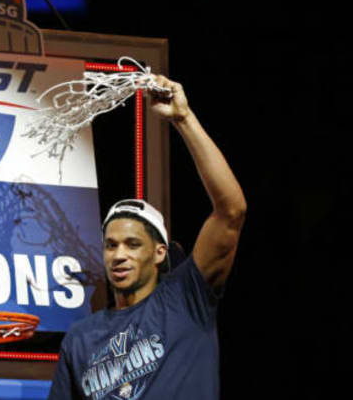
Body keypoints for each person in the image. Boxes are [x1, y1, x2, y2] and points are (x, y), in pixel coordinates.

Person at [47, 75, 246, 400]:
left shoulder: (185, 298)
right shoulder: (80, 338)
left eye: (132, 244)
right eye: (111, 245)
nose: (118, 254)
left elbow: (231, 211)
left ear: (159, 252)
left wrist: (184, 119)